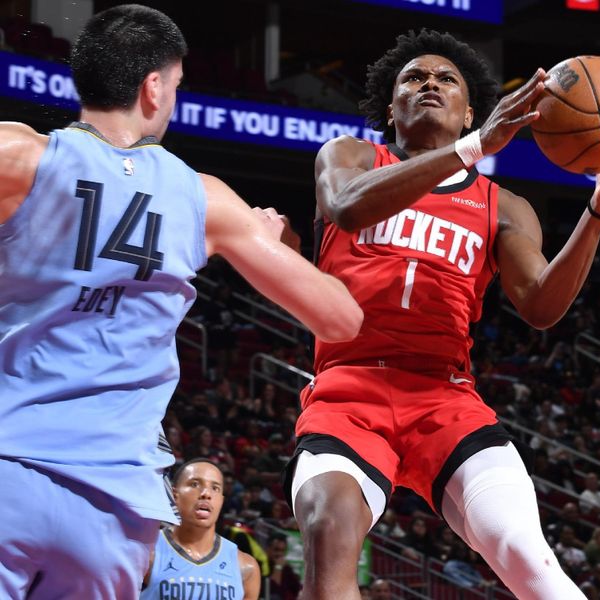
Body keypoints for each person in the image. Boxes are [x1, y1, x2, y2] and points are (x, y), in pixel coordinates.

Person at [0, 5, 362, 599]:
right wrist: (268, 247)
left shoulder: (18, 156)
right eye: (174, 86)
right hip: (112, 506)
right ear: (152, 87)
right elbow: (342, 319)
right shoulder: (207, 200)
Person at [284, 28, 600, 600]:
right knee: (330, 535)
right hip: (347, 390)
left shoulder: (504, 205)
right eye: (414, 77)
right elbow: (349, 209)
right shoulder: (350, 156)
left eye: (446, 79)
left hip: (444, 396)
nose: (430, 83)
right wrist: (475, 146)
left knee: (524, 552)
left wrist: (598, 207)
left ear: (469, 110)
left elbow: (541, 307)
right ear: (390, 107)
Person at [140, 459, 260, 599]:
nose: (206, 494)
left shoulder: (246, 567)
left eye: (215, 488)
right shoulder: (145, 554)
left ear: (221, 501)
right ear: (174, 496)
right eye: (195, 484)